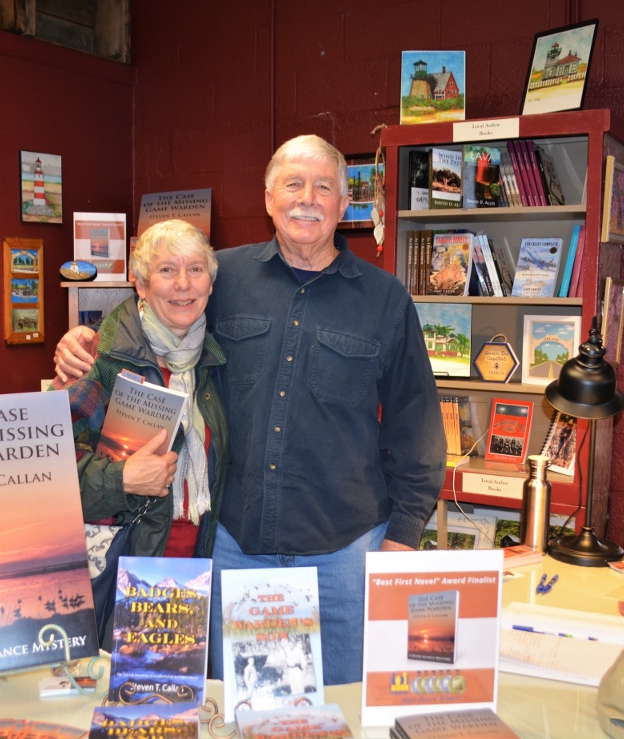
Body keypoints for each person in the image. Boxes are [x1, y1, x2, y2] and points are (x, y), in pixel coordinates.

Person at [55, 135, 445, 684]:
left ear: (344, 203)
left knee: (346, 711)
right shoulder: (223, 276)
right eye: (293, 183)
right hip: (236, 550)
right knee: (250, 712)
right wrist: (83, 341)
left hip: (346, 557)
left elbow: (417, 428)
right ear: (268, 198)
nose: (307, 198)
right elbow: (154, 307)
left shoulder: (385, 300)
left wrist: (402, 536)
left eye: (324, 187)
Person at [62, 220, 228, 643]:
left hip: (197, 571)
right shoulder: (98, 360)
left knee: (169, 701)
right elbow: (49, 480)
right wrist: (123, 480)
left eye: (195, 269)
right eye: (167, 270)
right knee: (130, 702)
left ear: (211, 282)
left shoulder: (217, 361)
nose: (183, 285)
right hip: (124, 574)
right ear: (140, 283)